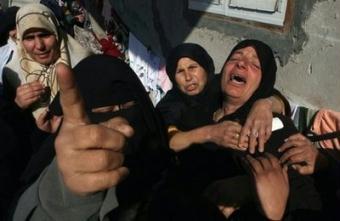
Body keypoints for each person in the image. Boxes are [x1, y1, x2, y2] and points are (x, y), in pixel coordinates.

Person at [149, 40, 322, 220]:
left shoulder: (271, 126)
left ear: (264, 82)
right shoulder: (200, 97)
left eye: (255, 63)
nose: (241, 63)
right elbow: (161, 136)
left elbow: (305, 198)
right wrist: (209, 133)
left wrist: (253, 188)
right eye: (235, 57)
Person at [11, 54, 172, 221]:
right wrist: (68, 196)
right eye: (105, 112)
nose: (122, 121)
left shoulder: (163, 146)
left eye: (128, 106)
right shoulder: (52, 167)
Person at [156, 42, 288, 155]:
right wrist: (210, 134)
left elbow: (269, 93)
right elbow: (166, 140)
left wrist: (265, 104)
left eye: (193, 68)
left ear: (206, 68)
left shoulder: (217, 84)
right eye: (180, 71)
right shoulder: (172, 104)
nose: (188, 77)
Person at [2, 3, 90, 131]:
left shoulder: (85, 61)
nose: (39, 45)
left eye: (44, 34)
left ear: (56, 32)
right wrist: (18, 106)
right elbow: (10, 131)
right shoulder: (12, 75)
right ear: (20, 40)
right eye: (29, 38)